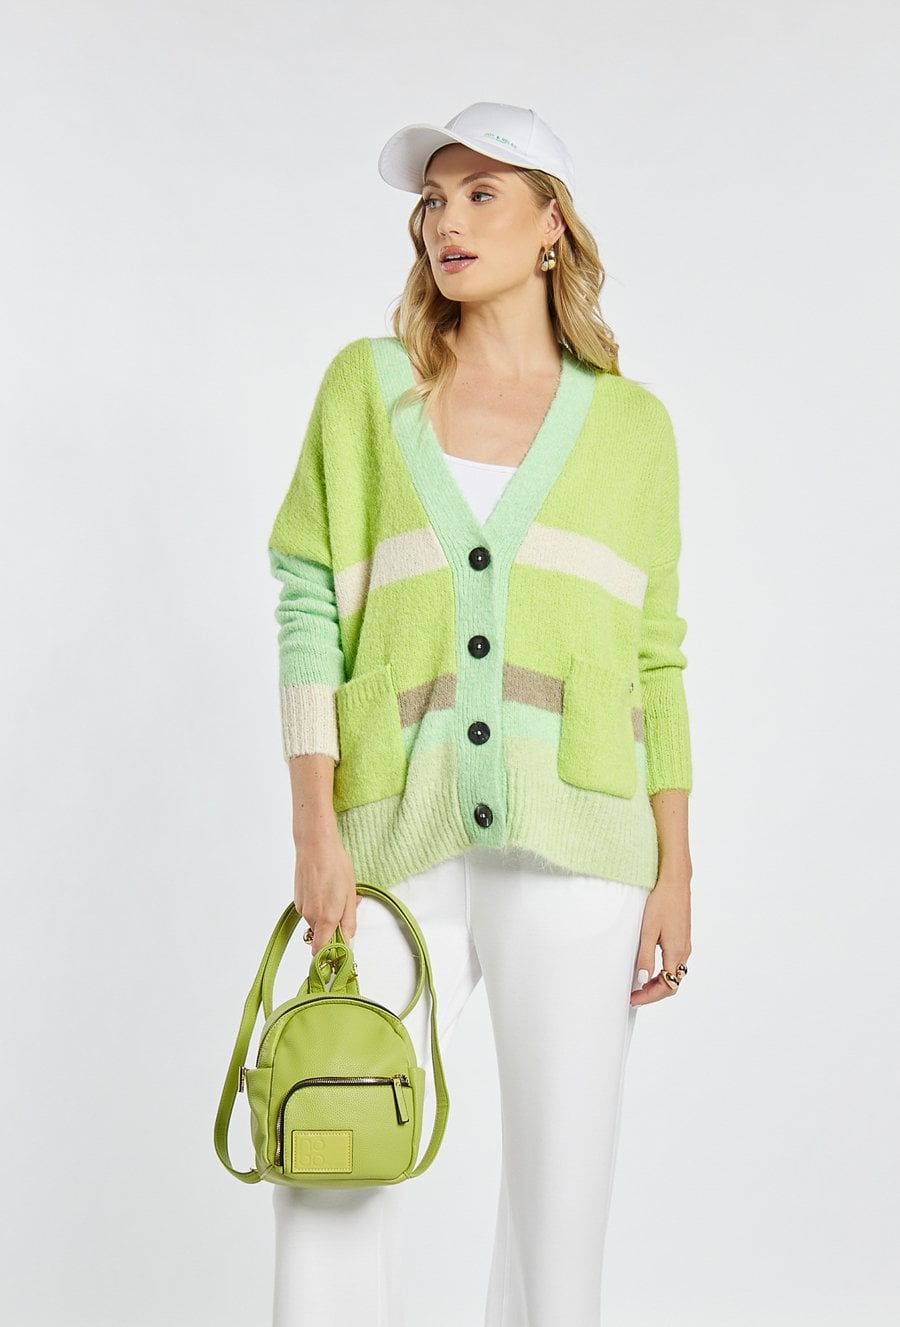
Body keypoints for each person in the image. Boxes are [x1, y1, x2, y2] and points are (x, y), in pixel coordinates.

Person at [265, 100, 693, 1327]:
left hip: (586, 842)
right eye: (433, 201)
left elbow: (658, 655)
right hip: (392, 834)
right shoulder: (370, 387)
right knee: (333, 1149)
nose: (446, 221)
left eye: (481, 194)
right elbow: (309, 601)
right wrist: (314, 826)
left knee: (563, 1205)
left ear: (553, 223)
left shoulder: (632, 427)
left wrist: (675, 867)